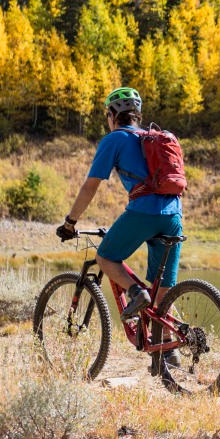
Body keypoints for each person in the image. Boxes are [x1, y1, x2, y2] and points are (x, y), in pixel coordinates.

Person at [57, 87, 183, 353]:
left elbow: (91, 186)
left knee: (105, 257)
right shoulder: (153, 138)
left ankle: (136, 294)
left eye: (108, 115)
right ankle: (169, 358)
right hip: (174, 214)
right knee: (163, 295)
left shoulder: (114, 139)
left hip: (143, 213)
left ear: (113, 115)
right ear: (136, 115)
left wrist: (70, 222)